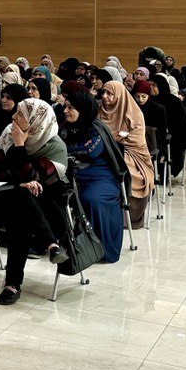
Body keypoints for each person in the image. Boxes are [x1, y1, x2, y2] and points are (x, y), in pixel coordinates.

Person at [0, 98, 71, 305]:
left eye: (20, 114)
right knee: (21, 196)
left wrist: (19, 146)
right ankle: (51, 244)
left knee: (21, 214)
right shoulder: (8, 135)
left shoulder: (55, 147)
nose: (13, 117)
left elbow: (39, 179)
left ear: (36, 120)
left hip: (46, 207)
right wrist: (20, 182)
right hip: (5, 200)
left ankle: (12, 284)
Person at [60, 89, 125, 264]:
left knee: (91, 199)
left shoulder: (96, 128)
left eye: (71, 107)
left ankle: (100, 248)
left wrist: (63, 151)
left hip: (99, 176)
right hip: (72, 174)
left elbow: (90, 150)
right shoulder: (64, 127)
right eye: (65, 106)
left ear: (83, 109)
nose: (65, 111)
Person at [98, 81, 154, 227]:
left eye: (110, 93)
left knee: (130, 172)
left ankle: (126, 217)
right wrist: (116, 138)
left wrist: (114, 140)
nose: (104, 96)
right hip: (103, 151)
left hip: (131, 152)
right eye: (103, 92)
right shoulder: (98, 111)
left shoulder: (134, 113)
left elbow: (137, 140)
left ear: (119, 95)